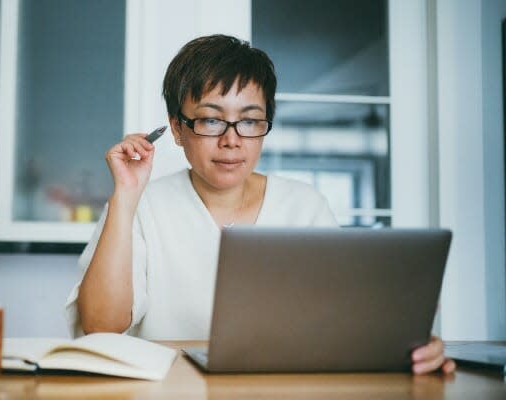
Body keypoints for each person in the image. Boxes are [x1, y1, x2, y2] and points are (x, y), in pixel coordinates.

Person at [65, 34, 455, 375]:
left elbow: (343, 325)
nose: (233, 140)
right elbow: (100, 325)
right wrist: (126, 196)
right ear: (178, 129)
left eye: (250, 121)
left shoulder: (305, 206)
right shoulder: (141, 204)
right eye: (211, 121)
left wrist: (408, 348)